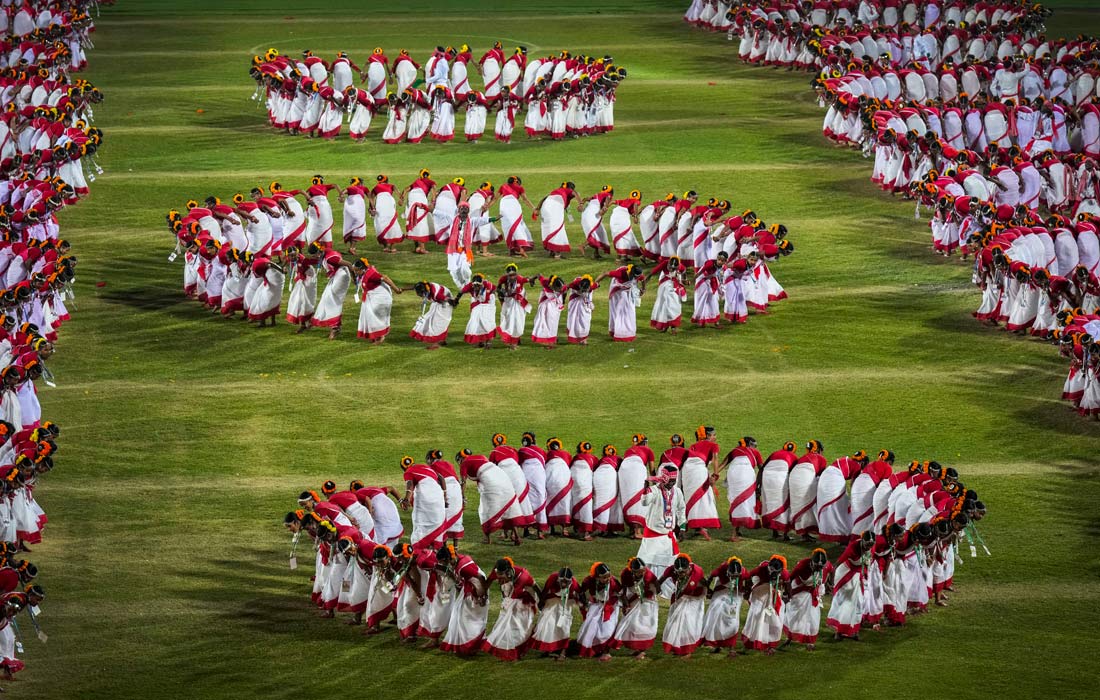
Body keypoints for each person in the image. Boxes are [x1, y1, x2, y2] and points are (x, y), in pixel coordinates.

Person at [458, 451, 523, 545]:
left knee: (485, 509)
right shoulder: (481, 456)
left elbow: (463, 482)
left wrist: (462, 496)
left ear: (460, 459)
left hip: (490, 482)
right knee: (509, 506)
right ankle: (516, 536)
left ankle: (487, 538)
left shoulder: (464, 463)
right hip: (502, 477)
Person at [482, 557, 540, 661]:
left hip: (525, 601)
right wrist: (483, 595)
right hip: (511, 599)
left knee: (517, 625)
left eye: (501, 576)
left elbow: (535, 586)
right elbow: (488, 582)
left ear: (508, 572)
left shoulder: (523, 576)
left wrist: (542, 603)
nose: (498, 579)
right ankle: (509, 649)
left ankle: (518, 647)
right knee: (505, 623)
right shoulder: (498, 572)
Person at [636, 466, 687, 581]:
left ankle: (664, 587)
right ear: (664, 479)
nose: (672, 483)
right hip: (653, 536)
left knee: (667, 566)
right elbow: (644, 502)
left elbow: (681, 509)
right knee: (648, 563)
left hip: (667, 537)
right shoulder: (654, 490)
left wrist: (683, 527)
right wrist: (645, 490)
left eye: (674, 481)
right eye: (670, 481)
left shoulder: (677, 492)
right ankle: (648, 584)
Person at [437, 546, 489, 656]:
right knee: (458, 613)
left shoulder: (463, 567)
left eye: (442, 562)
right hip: (470, 586)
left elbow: (480, 578)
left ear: (447, 559)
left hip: (476, 588)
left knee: (467, 618)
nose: (441, 564)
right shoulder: (458, 558)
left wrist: (481, 596)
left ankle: (470, 645)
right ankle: (465, 644)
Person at [659, 553, 708, 657]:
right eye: (679, 572)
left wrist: (708, 594)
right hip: (679, 598)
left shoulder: (697, 571)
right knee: (675, 623)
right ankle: (677, 647)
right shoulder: (670, 570)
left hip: (695, 599)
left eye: (684, 571)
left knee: (688, 623)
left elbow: (704, 583)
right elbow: (660, 581)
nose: (681, 574)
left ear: (689, 567)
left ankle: (687, 650)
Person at [610, 556, 659, 658]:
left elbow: (658, 588)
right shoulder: (625, 574)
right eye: (639, 572)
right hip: (632, 598)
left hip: (647, 600)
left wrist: (650, 590)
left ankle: (642, 650)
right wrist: (625, 604)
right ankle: (636, 648)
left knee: (644, 625)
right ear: (632, 571)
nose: (642, 573)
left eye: (643, 570)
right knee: (632, 625)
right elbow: (623, 590)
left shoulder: (649, 575)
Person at [783, 549, 831, 651]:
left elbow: (832, 570)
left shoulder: (826, 566)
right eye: (816, 566)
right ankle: (790, 636)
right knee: (795, 615)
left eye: (820, 567)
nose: (819, 568)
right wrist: (787, 593)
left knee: (812, 616)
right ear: (812, 562)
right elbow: (789, 579)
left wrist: (830, 584)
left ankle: (810, 641)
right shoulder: (802, 565)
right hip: (799, 590)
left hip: (812, 593)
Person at [827, 532, 872, 641]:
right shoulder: (853, 547)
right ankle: (839, 631)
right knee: (844, 602)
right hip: (846, 575)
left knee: (859, 602)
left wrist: (866, 574)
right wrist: (831, 581)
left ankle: (854, 630)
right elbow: (837, 564)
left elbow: (867, 563)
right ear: (862, 541)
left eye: (871, 545)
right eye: (867, 544)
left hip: (858, 576)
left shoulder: (869, 548)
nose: (869, 547)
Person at [716, 436, 763, 540]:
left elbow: (723, 464)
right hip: (746, 474)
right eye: (754, 445)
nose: (755, 448)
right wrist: (760, 484)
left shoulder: (734, 450)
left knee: (736, 501)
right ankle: (734, 533)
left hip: (733, 474)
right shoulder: (755, 452)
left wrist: (714, 475)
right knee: (743, 501)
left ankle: (736, 530)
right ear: (748, 444)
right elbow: (762, 468)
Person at [741, 555, 788, 655]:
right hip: (760, 595)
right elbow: (748, 576)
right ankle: (754, 641)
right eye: (771, 570)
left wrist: (788, 595)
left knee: (775, 621)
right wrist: (747, 590)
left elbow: (787, 584)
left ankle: (771, 644)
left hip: (774, 597)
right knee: (757, 617)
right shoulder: (761, 569)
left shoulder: (784, 573)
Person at [531, 567, 581, 660]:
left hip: (566, 604)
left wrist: (583, 605)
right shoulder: (552, 578)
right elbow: (544, 592)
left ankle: (563, 652)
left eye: (566, 582)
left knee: (564, 627)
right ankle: (549, 649)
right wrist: (541, 603)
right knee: (547, 624)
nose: (564, 584)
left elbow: (581, 595)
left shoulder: (574, 584)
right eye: (562, 581)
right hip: (552, 602)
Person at [399, 457, 448, 551]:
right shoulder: (426, 467)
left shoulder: (408, 472)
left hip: (425, 499)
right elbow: (441, 478)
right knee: (437, 522)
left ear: (404, 468)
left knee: (420, 524)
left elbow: (410, 484)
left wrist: (406, 500)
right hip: (438, 496)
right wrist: (445, 496)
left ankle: (419, 550)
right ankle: (436, 549)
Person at [702, 556, 746, 656]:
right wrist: (708, 590)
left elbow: (748, 580)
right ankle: (718, 644)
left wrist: (746, 591)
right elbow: (709, 578)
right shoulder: (721, 569)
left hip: (735, 594)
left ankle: (731, 647)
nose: (734, 578)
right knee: (717, 616)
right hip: (720, 591)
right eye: (732, 576)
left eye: (736, 576)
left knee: (732, 620)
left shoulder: (743, 572)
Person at [682, 426, 721, 540]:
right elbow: (715, 459)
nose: (715, 437)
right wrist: (715, 474)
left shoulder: (693, 445)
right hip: (698, 470)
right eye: (714, 435)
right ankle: (702, 527)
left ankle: (696, 527)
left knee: (691, 498)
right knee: (704, 498)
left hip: (687, 471)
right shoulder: (714, 445)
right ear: (708, 436)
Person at [576, 562, 620, 661]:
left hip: (610, 606)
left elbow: (622, 593)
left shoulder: (614, 582)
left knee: (608, 630)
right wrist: (583, 603)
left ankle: (606, 652)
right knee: (592, 629)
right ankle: (595, 650)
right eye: (604, 577)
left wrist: (626, 605)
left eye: (608, 576)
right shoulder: (588, 581)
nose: (607, 579)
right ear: (596, 577)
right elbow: (581, 591)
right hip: (596, 605)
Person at [353, 258, 402, 343]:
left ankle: (380, 336)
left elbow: (385, 278)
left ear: (362, 269)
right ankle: (374, 335)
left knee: (374, 316)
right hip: (370, 296)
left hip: (380, 297)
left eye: (356, 271)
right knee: (367, 316)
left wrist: (396, 289)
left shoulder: (371, 274)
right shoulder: (362, 273)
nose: (355, 273)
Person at [311, 251, 355, 339]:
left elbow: (349, 264)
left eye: (314, 254)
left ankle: (335, 327)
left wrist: (354, 278)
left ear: (318, 252)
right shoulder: (326, 254)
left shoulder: (330, 258)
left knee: (332, 300)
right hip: (337, 276)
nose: (314, 257)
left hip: (342, 276)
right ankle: (336, 326)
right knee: (326, 298)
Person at [598, 263, 644, 342]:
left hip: (628, 291)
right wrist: (595, 283)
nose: (637, 278)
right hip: (618, 291)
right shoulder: (620, 273)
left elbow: (643, 279)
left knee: (629, 310)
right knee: (620, 310)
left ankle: (627, 331)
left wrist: (643, 289)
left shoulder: (638, 274)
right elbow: (605, 273)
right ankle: (620, 332)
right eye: (636, 276)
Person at [618, 434, 653, 539]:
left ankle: (631, 529)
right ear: (645, 442)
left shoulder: (628, 450)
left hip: (623, 470)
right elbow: (651, 469)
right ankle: (637, 532)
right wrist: (655, 482)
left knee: (628, 497)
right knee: (638, 499)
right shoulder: (648, 450)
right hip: (637, 470)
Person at [454, 273, 497, 348]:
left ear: (481, 284)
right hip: (477, 303)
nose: (476, 287)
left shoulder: (487, 285)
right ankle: (480, 341)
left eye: (478, 286)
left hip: (488, 304)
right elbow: (461, 292)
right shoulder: (470, 286)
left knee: (486, 321)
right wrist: (456, 300)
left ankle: (488, 340)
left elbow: (495, 288)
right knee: (476, 321)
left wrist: (493, 294)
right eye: (475, 286)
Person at [408, 280, 455, 350]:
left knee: (437, 322)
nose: (421, 296)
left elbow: (447, 299)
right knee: (429, 318)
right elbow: (414, 287)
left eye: (422, 294)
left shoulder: (436, 294)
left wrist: (453, 302)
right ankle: (442, 340)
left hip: (445, 303)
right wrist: (402, 289)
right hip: (438, 302)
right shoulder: (425, 286)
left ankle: (435, 344)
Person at [534, 182, 577, 258]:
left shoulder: (556, 192)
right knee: (558, 230)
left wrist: (537, 209)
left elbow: (544, 198)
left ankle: (551, 251)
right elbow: (575, 193)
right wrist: (580, 203)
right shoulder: (567, 191)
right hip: (554, 208)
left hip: (545, 208)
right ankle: (557, 254)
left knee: (550, 229)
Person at [646, 256, 687, 333]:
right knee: (664, 305)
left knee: (675, 306)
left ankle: (673, 327)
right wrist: (645, 282)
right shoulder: (664, 263)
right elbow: (652, 272)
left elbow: (684, 271)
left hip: (675, 287)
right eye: (670, 267)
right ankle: (665, 325)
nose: (671, 269)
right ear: (668, 263)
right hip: (664, 286)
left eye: (673, 268)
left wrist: (684, 280)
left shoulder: (680, 266)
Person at [543, 437, 574, 535]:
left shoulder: (547, 455)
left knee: (549, 501)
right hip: (563, 480)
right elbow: (569, 465)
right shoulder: (566, 454)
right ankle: (564, 529)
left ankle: (551, 527)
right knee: (564, 502)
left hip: (550, 480)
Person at [497, 263, 531, 348]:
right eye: (510, 275)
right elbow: (498, 288)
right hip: (508, 302)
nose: (512, 277)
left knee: (518, 320)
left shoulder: (520, 278)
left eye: (513, 275)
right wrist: (502, 293)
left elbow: (528, 279)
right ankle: (511, 339)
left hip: (519, 302)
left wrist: (533, 279)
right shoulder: (503, 279)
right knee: (508, 320)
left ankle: (516, 339)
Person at [591, 445, 623, 535]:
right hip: (611, 476)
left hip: (599, 476)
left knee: (600, 501)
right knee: (614, 502)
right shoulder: (619, 459)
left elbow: (594, 470)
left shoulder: (601, 460)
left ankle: (601, 527)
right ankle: (611, 527)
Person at [569, 442, 598, 540]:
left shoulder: (575, 458)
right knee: (586, 506)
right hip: (585, 484)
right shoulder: (592, 458)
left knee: (576, 503)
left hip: (575, 483)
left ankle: (577, 528)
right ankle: (586, 533)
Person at [530, 274, 566, 346]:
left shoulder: (562, 286)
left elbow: (564, 292)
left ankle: (553, 337)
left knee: (554, 321)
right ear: (553, 286)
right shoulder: (545, 283)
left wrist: (563, 301)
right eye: (558, 289)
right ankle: (550, 340)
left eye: (561, 288)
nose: (560, 290)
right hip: (546, 302)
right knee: (547, 321)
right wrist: (532, 279)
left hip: (556, 302)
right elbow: (539, 275)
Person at [565, 275, 598, 345]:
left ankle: (584, 339)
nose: (583, 291)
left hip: (585, 302)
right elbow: (566, 287)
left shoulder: (593, 285)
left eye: (585, 290)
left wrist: (590, 303)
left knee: (586, 319)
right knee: (574, 318)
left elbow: (598, 284)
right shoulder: (575, 283)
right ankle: (574, 336)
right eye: (582, 289)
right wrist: (562, 299)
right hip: (575, 300)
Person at [339, 177, 367, 254]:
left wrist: (341, 197)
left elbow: (343, 192)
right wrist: (373, 208)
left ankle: (352, 247)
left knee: (353, 227)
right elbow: (370, 197)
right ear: (359, 183)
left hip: (349, 208)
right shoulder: (362, 188)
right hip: (358, 208)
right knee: (359, 226)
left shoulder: (350, 188)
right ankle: (352, 247)